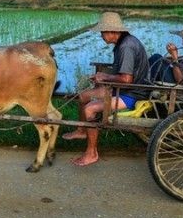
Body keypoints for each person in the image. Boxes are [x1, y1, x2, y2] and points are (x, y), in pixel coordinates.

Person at [63, 11, 150, 166]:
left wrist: (104, 77)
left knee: (90, 109)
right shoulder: (122, 43)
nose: (101, 35)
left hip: (133, 94)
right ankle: (82, 131)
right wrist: (104, 75)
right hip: (121, 89)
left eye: (103, 32)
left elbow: (126, 79)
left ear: (113, 31)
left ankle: (92, 153)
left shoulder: (126, 47)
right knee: (84, 96)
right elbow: (123, 73)